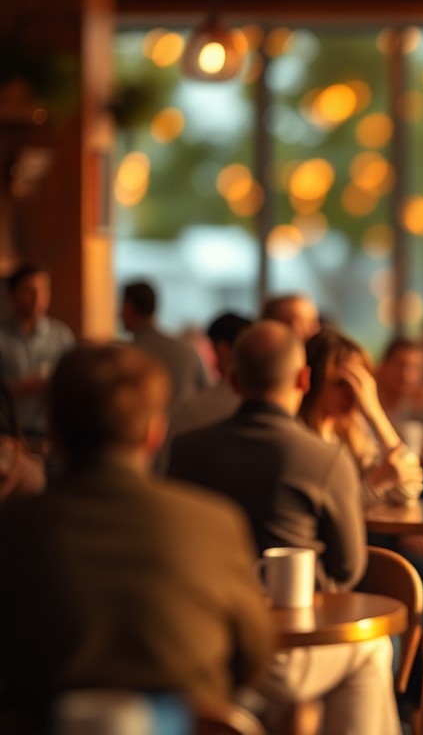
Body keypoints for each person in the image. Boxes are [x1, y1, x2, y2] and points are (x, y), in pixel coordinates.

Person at [0, 344, 271, 729]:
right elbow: (254, 659)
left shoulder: (13, 527)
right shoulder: (215, 522)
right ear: (153, 432)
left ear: (54, 431)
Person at [167, 321, 400, 735]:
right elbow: (348, 570)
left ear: (234, 380)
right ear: (304, 378)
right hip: (282, 652)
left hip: (201, 642)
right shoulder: (324, 458)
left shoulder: (186, 450)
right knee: (371, 648)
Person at [300, 330, 423, 508]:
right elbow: (327, 512)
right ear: (315, 381)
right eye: (342, 383)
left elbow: (409, 489)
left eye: (360, 383)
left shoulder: (350, 432)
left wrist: (374, 411)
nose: (353, 394)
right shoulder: (301, 438)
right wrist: (378, 481)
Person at [156, 312, 252, 470]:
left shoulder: (190, 410)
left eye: (212, 349)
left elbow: (163, 465)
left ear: (222, 350)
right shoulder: (280, 411)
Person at [0, 264, 75, 439]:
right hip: (8, 435)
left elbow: (74, 384)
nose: (37, 297)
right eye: (29, 291)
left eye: (43, 290)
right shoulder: (2, 337)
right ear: (12, 295)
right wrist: (19, 388)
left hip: (51, 434)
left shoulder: (61, 335)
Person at [120, 280, 209, 405]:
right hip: (188, 423)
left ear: (129, 308)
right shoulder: (185, 349)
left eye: (121, 306)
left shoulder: (127, 357)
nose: (118, 314)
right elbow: (206, 392)